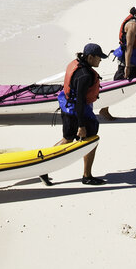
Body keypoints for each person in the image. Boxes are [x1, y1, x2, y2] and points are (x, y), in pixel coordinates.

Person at [40, 43, 107, 186]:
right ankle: (87, 176)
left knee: (67, 139)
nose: (100, 60)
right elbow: (80, 102)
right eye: (99, 58)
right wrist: (82, 125)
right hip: (77, 112)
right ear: (90, 57)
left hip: (67, 108)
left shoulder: (78, 64)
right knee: (92, 140)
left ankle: (43, 167)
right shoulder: (85, 76)